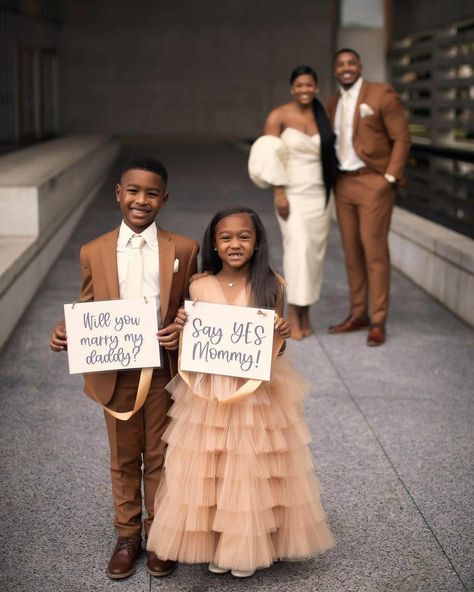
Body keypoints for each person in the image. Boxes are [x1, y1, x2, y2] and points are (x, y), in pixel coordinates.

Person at [146, 205, 334, 578]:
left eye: (244, 237)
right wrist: (184, 325)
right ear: (214, 244)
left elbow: (277, 352)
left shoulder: (272, 285)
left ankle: (244, 545)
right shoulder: (198, 284)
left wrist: (281, 335)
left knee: (249, 468)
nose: (235, 244)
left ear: (257, 242)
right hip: (209, 393)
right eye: (226, 237)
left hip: (255, 393)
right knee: (210, 468)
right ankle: (217, 542)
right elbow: (194, 347)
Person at [49, 156, 199, 580]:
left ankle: (160, 535)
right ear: (118, 193)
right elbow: (89, 306)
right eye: (133, 191)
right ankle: (127, 535)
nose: (141, 200)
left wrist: (180, 330)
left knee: (160, 455)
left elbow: (194, 306)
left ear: (164, 199)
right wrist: (67, 330)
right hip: (115, 369)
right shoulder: (93, 250)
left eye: (152, 193)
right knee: (122, 457)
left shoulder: (183, 249)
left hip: (162, 372)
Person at [326, 48, 411, 346]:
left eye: (351, 63)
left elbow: (401, 136)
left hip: (374, 182)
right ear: (335, 70)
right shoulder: (333, 102)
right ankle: (358, 313)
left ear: (360, 66)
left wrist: (389, 176)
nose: (346, 68)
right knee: (351, 254)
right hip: (344, 185)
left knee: (374, 253)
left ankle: (378, 320)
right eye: (340, 64)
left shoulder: (381, 93)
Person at [248, 65, 337, 340]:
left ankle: (306, 312)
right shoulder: (279, 115)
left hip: (321, 195)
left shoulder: (323, 114)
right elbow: (269, 156)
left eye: (309, 85)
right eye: (299, 85)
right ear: (292, 88)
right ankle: (294, 315)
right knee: (297, 252)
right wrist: (279, 193)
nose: (305, 90)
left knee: (314, 256)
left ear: (316, 87)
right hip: (292, 194)